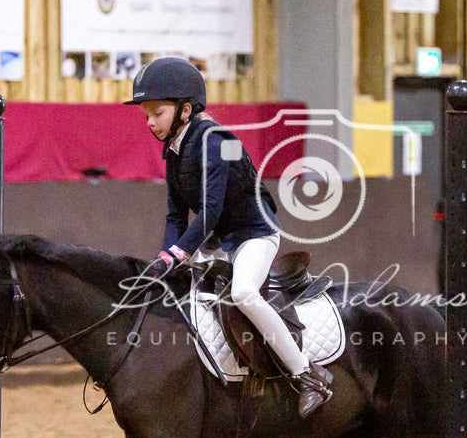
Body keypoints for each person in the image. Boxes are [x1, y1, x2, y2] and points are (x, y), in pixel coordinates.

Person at [127, 57, 334, 419]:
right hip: (221, 240)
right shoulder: (173, 151)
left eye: (156, 113)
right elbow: (176, 215)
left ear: (185, 109)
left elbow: (211, 210)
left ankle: (308, 374)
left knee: (243, 293)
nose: (149, 122)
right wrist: (164, 258)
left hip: (256, 234)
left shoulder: (216, 141)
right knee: (180, 290)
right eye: (146, 115)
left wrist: (177, 253)